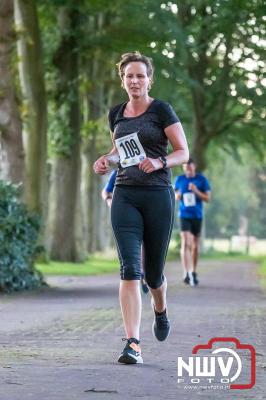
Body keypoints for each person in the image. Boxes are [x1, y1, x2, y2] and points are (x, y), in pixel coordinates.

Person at [93, 51, 189, 365]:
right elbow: (119, 151)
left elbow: (182, 152)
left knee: (153, 274)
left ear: (149, 79)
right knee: (130, 270)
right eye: (129, 76)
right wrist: (107, 161)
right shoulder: (116, 113)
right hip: (125, 195)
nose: (135, 81)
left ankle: (160, 310)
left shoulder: (161, 110)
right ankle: (133, 343)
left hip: (158, 195)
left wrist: (160, 161)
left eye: (140, 75)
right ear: (123, 80)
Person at [101, 170, 149, 294]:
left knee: (145, 242)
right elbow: (106, 190)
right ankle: (138, 272)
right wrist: (109, 200)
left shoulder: (147, 167)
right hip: (125, 213)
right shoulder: (118, 171)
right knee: (133, 245)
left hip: (146, 212)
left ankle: (144, 272)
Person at [174, 158, 211, 287]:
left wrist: (196, 191)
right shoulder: (179, 179)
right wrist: (177, 196)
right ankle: (186, 272)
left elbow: (207, 198)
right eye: (185, 168)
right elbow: (175, 194)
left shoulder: (202, 180)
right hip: (184, 215)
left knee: (195, 245)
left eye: (189, 168)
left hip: (197, 215)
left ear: (194, 167)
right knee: (186, 241)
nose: (187, 170)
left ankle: (193, 271)